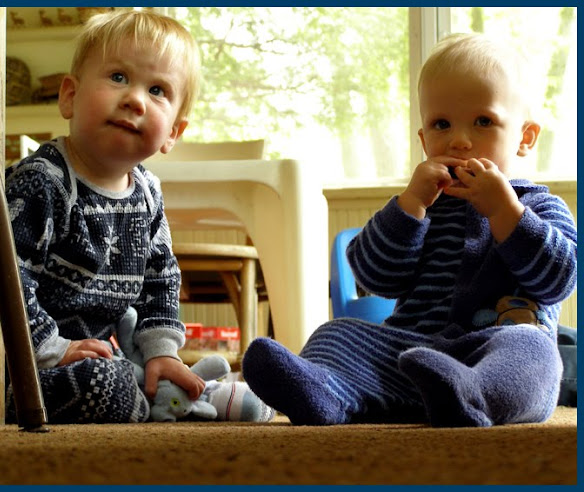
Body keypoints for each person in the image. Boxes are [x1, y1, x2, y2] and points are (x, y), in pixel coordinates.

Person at [242, 33, 577, 427]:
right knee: (335, 334)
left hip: (495, 352)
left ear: (525, 137)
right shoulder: (421, 204)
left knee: (535, 353)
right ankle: (326, 392)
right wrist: (410, 206)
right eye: (441, 124)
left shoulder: (541, 207)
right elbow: (376, 277)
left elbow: (559, 279)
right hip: (410, 355)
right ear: (423, 138)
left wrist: (506, 211)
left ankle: (471, 396)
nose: (459, 140)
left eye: (483, 121)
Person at [5, 9, 205, 423]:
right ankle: (149, 400)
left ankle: (170, 393)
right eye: (118, 77)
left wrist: (162, 353)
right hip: (23, 362)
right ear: (70, 96)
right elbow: (5, 275)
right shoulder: (42, 181)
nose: (135, 99)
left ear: (172, 133)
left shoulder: (148, 193)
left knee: (170, 380)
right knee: (108, 386)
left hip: (104, 351)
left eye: (157, 90)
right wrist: (52, 346)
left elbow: (160, 279)